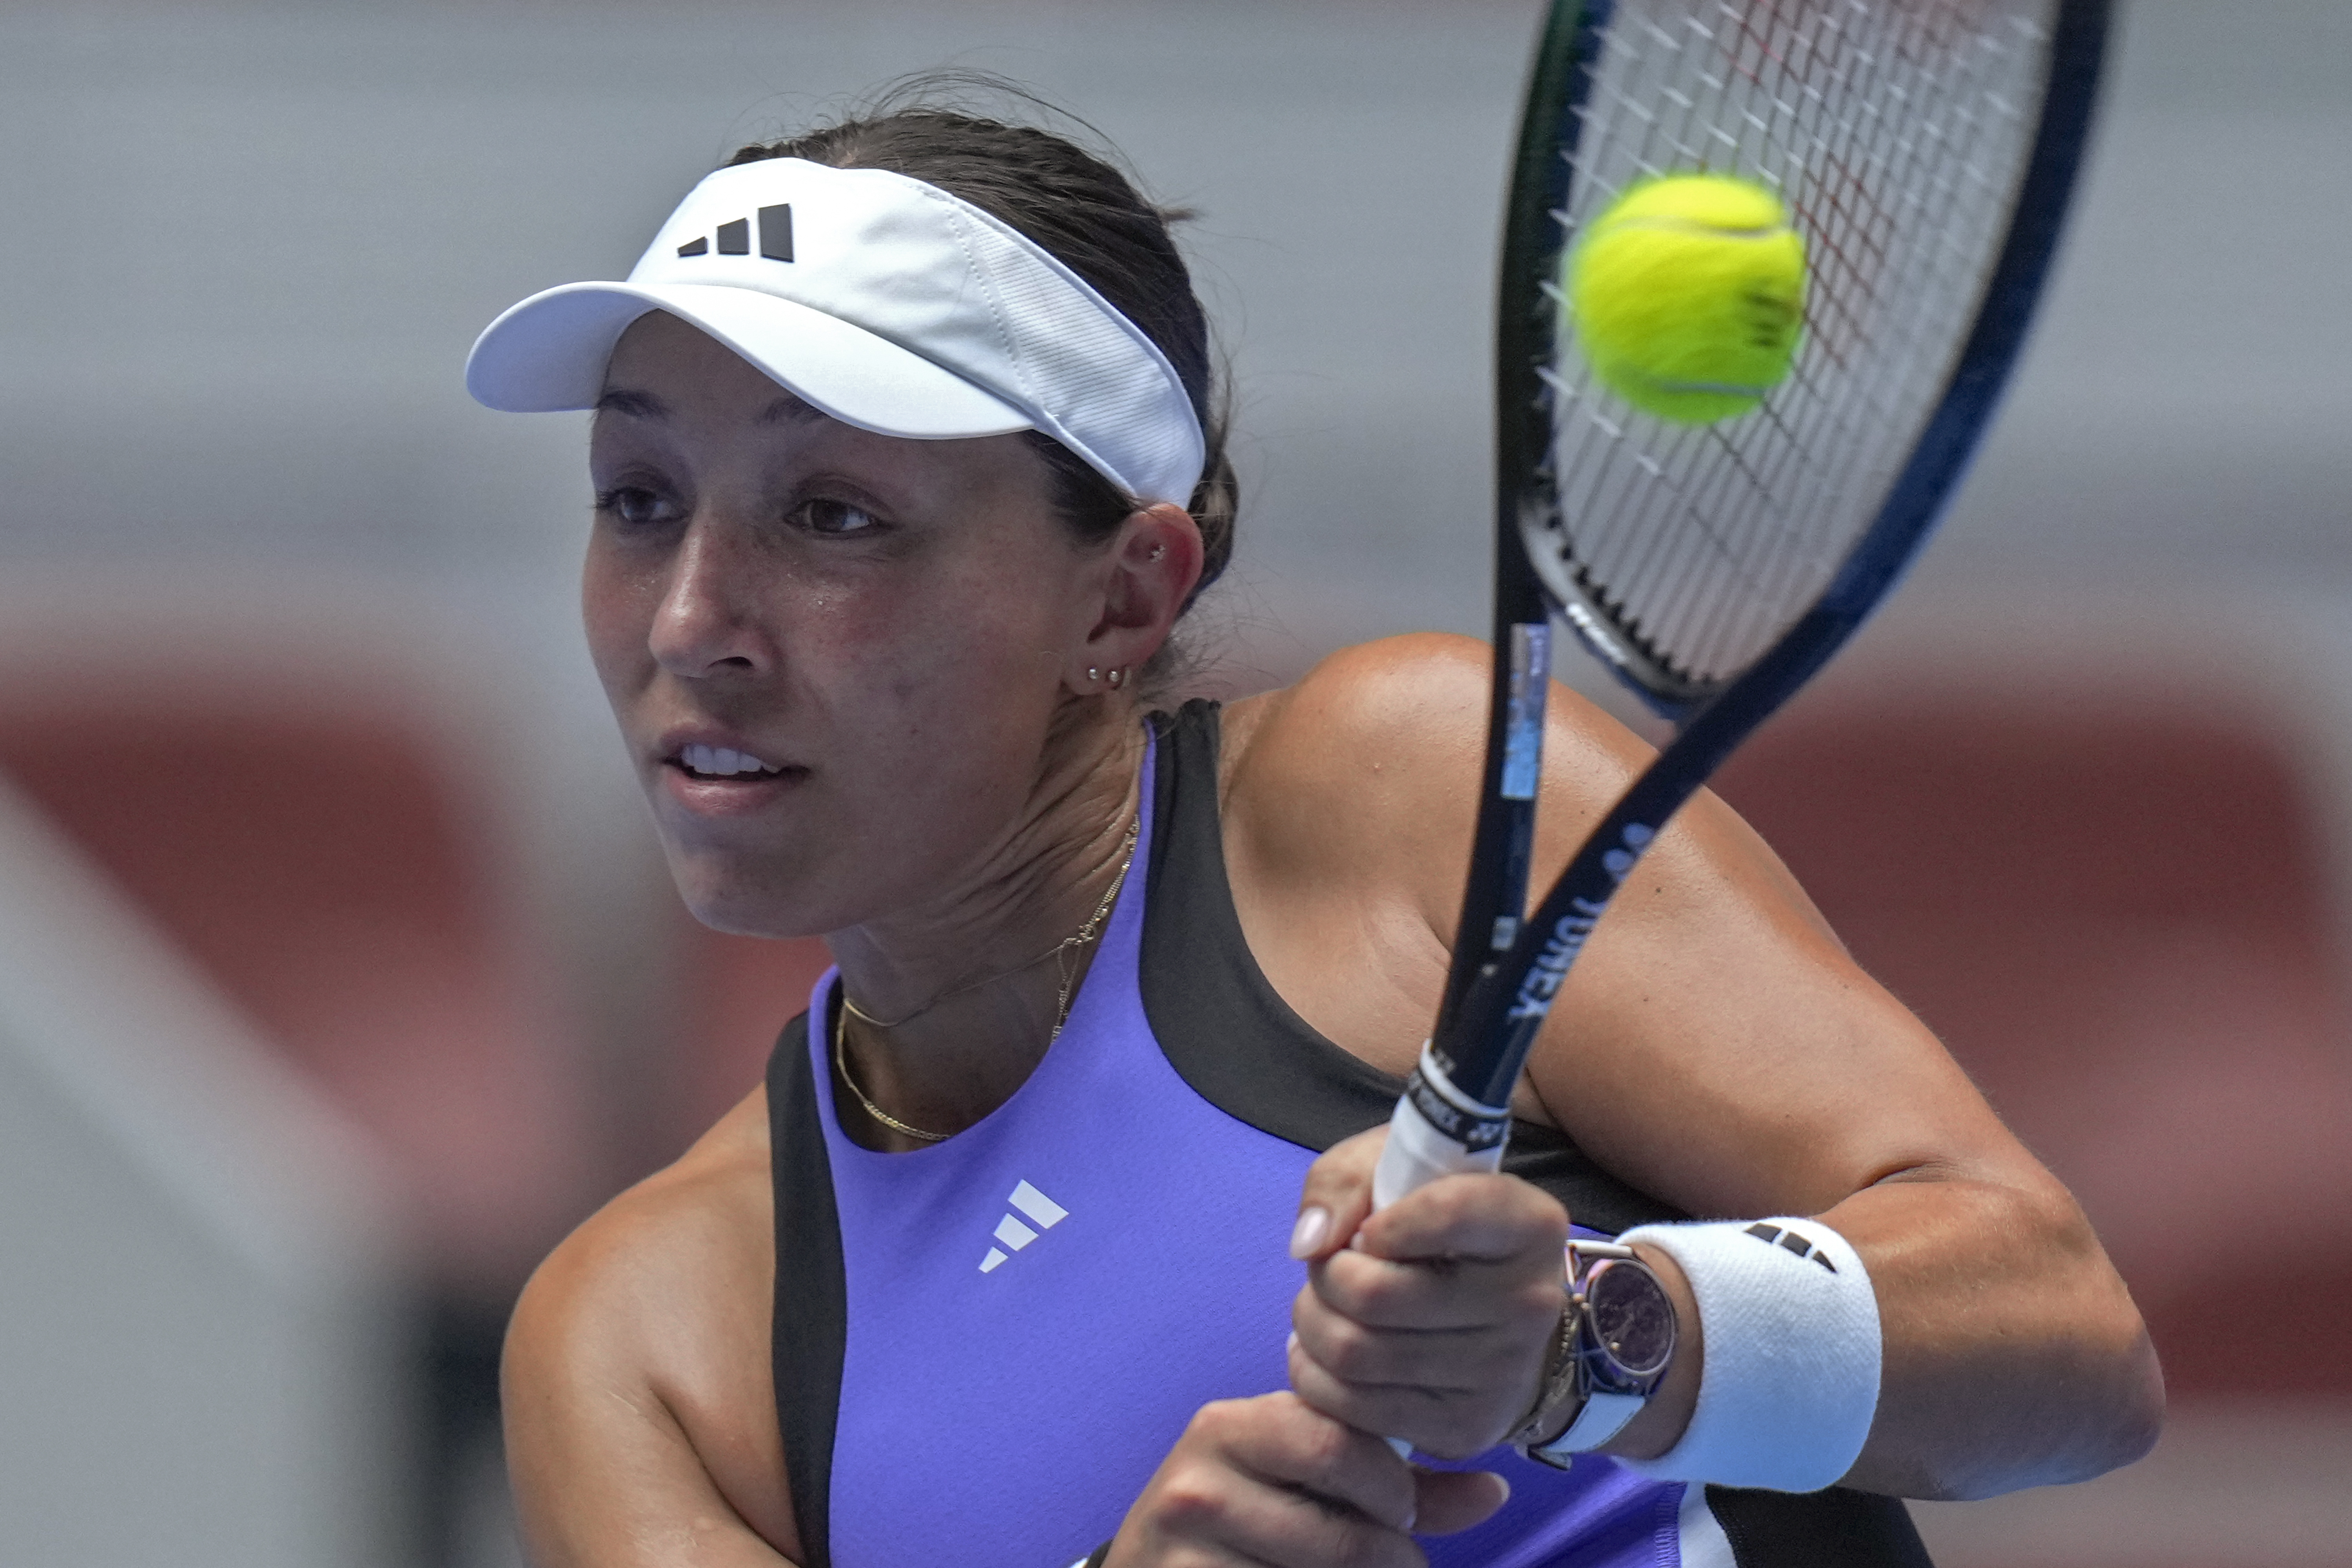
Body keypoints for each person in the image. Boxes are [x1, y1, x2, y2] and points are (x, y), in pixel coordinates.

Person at [466, 94, 2163, 1568]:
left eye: (833, 514)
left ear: (1124, 597)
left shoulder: (1408, 796)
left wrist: (1590, 1344)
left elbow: (2070, 1344)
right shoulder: (640, 1344)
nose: (690, 620)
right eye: (639, 499)